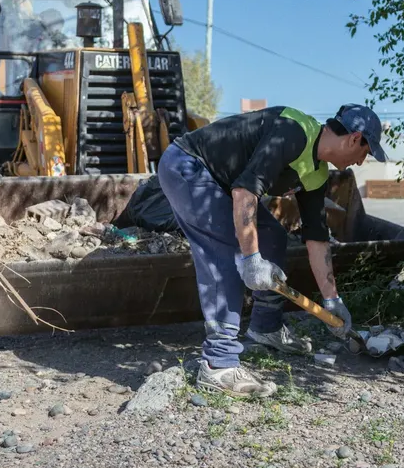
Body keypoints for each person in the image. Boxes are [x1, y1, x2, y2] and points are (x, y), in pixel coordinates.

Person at [157, 104, 387, 397]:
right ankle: (219, 364)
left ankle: (265, 327)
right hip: (188, 165)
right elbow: (245, 192)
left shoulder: (316, 173)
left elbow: (317, 238)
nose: (362, 161)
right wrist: (252, 260)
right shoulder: (292, 132)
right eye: (366, 152)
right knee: (225, 251)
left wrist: (332, 300)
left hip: (223, 181)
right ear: (355, 138)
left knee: (272, 236)